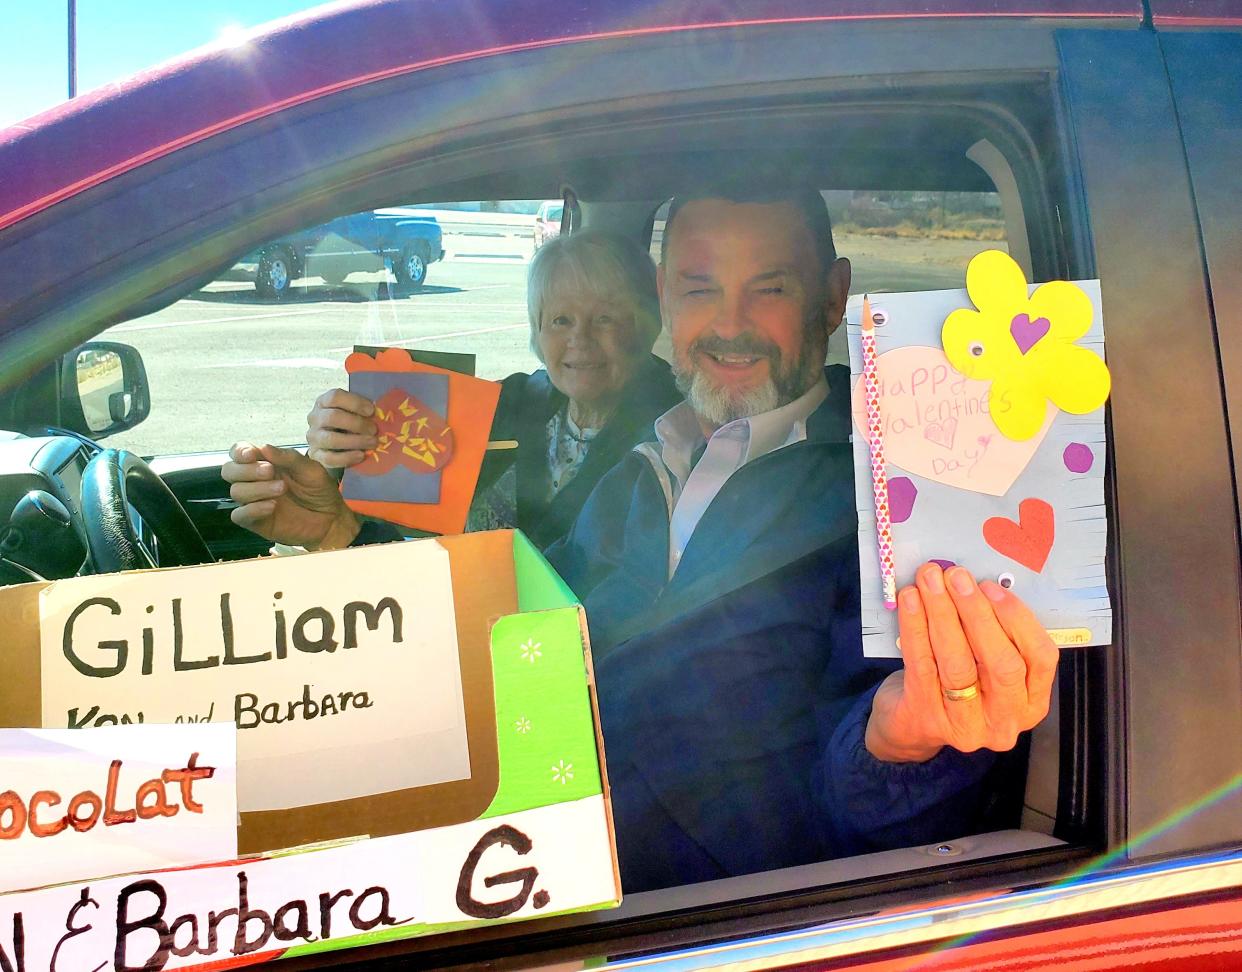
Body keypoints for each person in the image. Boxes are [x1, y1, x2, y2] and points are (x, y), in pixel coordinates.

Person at [543, 183, 1059, 892]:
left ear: (831, 296)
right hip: (541, 874)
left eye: (769, 290)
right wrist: (353, 534)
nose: (729, 324)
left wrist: (897, 748)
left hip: (715, 925)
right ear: (663, 296)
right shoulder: (637, 462)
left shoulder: (905, 490)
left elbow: (867, 818)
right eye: (699, 290)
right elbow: (522, 623)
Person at [223, 231, 681, 550]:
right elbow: (422, 547)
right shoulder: (501, 404)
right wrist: (342, 458)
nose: (579, 338)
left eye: (605, 317)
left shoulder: (682, 438)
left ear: (646, 326)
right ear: (537, 332)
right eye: (560, 319)